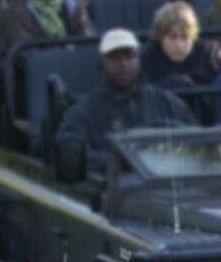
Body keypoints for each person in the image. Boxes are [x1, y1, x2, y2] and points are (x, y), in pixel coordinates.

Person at [53, 29, 195, 181]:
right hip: (112, 195)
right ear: (102, 63)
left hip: (168, 189)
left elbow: (196, 146)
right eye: (115, 57)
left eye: (129, 56)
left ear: (139, 59)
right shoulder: (83, 112)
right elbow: (71, 156)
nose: (123, 64)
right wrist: (121, 162)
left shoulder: (169, 104)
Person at [143, 1, 221, 128]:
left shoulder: (209, 52)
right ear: (160, 37)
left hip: (211, 119)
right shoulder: (148, 58)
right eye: (172, 37)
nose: (179, 45)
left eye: (184, 37)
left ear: (193, 36)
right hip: (169, 127)